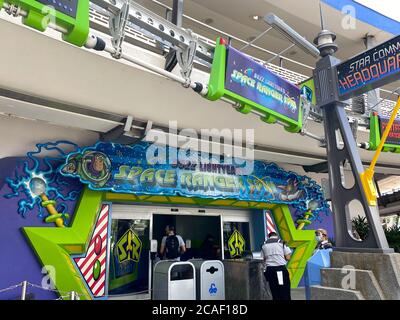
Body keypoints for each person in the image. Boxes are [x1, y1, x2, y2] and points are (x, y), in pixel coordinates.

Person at [261, 232, 292, 300]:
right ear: (277, 236)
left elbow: (263, 259)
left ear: (269, 236)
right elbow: (288, 257)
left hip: (269, 270)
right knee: (284, 289)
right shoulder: (282, 243)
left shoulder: (264, 245)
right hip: (280, 270)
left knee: (273, 289)